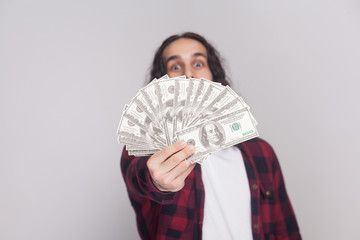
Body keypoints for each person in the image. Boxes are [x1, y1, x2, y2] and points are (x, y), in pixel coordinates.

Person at [121, 32, 302, 239]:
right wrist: (157, 182)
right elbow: (139, 176)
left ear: (214, 75)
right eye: (175, 66)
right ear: (162, 83)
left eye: (198, 64)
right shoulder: (146, 148)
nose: (188, 73)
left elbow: (285, 230)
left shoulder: (261, 152)